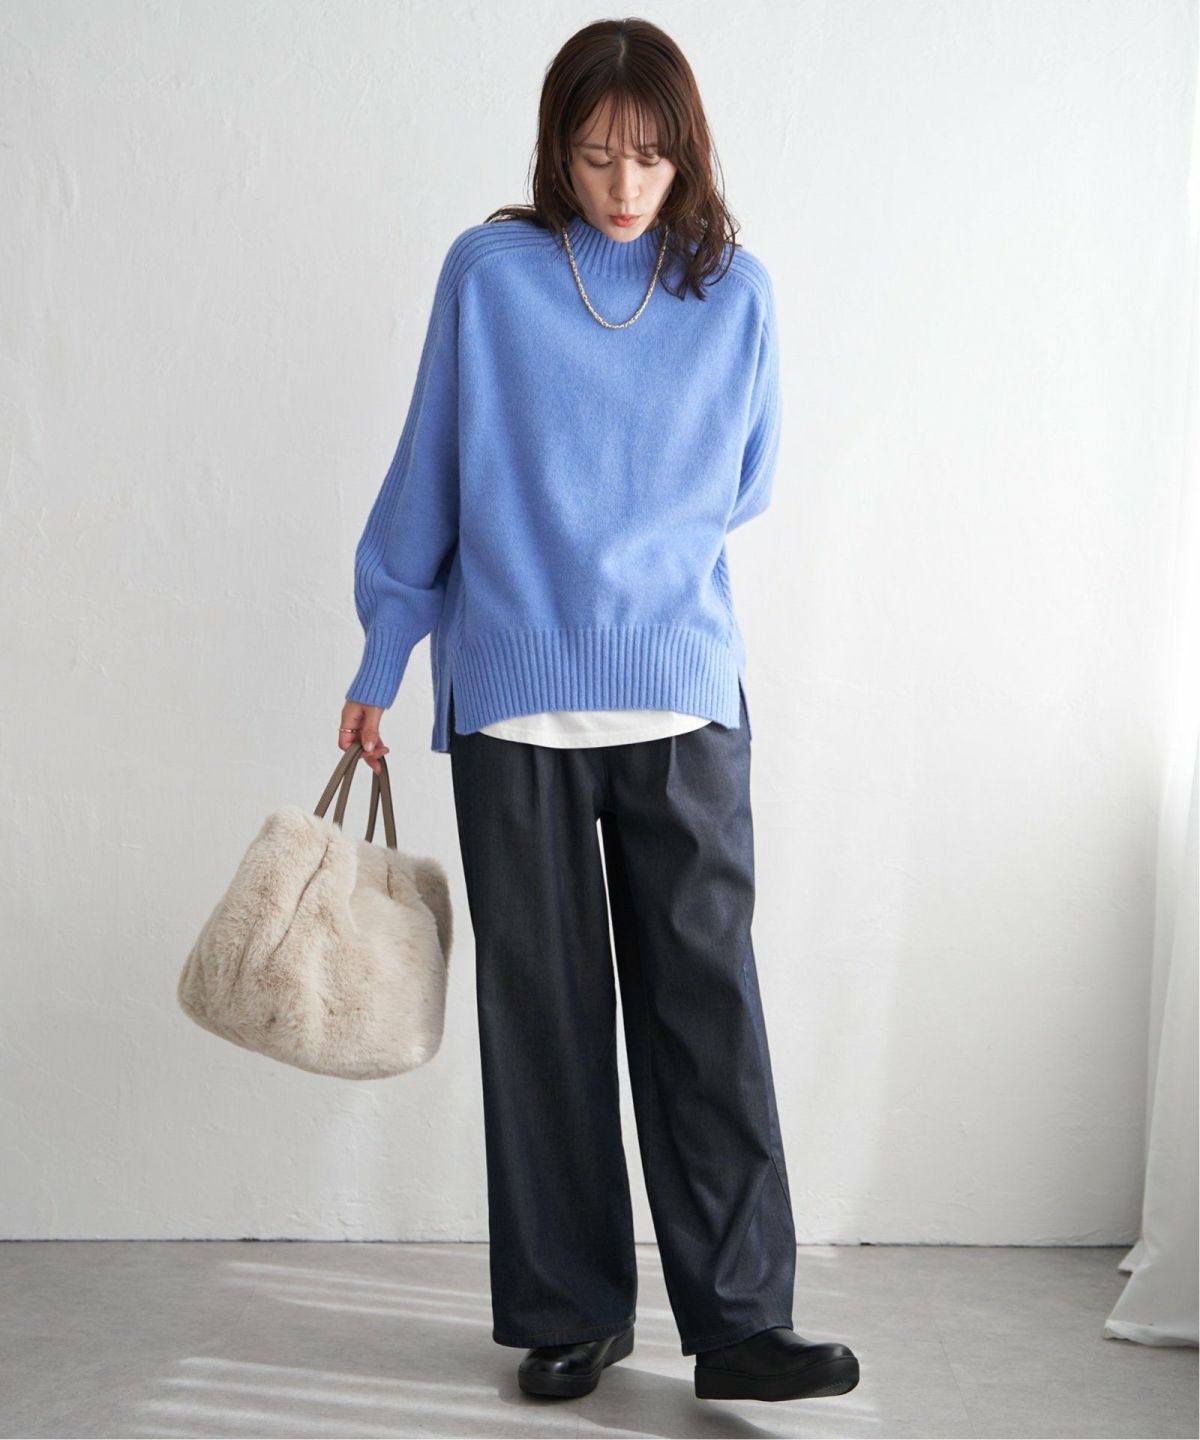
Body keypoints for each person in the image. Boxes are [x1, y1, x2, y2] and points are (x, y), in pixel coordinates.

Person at [336, 17, 860, 1406]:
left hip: (681, 695)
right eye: (594, 154)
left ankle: (740, 1323)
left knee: (707, 1012)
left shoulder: (734, 294)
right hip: (515, 701)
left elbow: (747, 482)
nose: (623, 185)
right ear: (555, 151)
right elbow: (429, 471)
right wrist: (383, 654)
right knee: (545, 1020)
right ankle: (572, 1311)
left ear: (688, 154)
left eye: (649, 156)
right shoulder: (492, 275)